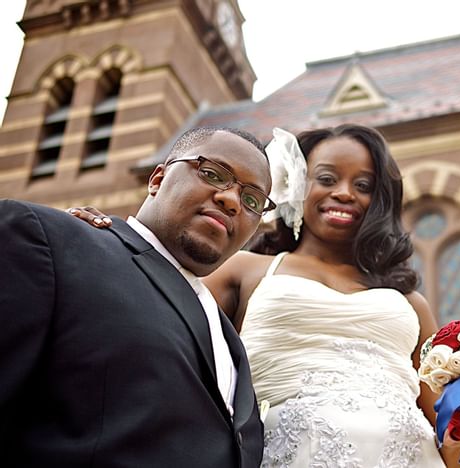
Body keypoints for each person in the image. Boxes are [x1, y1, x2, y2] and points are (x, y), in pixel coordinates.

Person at [69, 124, 460, 467]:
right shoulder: (244, 269)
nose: (344, 193)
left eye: (363, 184)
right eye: (326, 178)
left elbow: (444, 429)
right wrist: (107, 244)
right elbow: (157, 313)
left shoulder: (410, 301)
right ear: (297, 186)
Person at [0, 127, 273, 468]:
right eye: (213, 174)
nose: (231, 200)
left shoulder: (230, 339)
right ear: (157, 179)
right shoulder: (49, 241)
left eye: (252, 200)